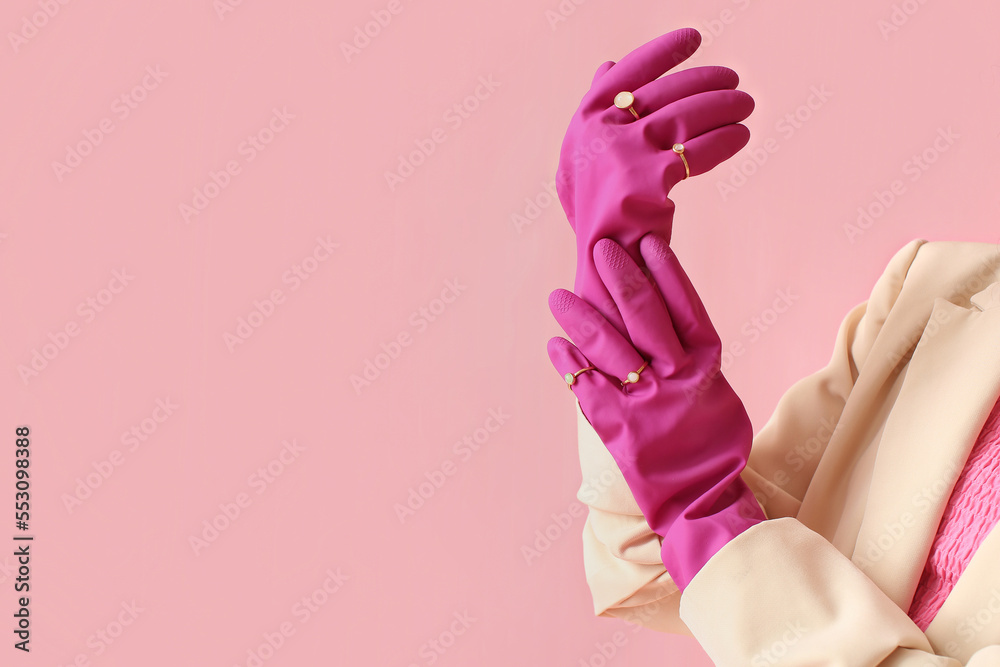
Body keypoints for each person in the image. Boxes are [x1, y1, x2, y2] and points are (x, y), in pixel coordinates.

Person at [547, 27, 1000, 666]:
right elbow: (653, 577)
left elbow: (711, 528)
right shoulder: (937, 289)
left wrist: (702, 510)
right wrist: (616, 273)